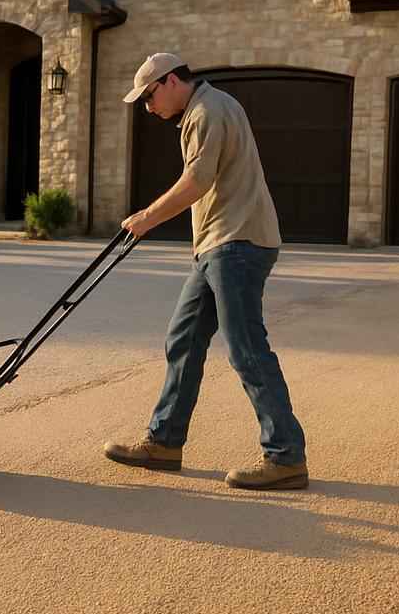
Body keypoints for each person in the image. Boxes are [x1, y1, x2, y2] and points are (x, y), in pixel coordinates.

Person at [104, 53, 309, 490]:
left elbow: (196, 181)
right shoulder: (210, 107)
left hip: (236, 243)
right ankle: (164, 442)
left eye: (148, 95)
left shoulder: (206, 111)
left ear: (171, 80)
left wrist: (147, 217)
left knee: (246, 349)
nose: (146, 106)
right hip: (220, 244)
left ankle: (285, 456)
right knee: (184, 338)